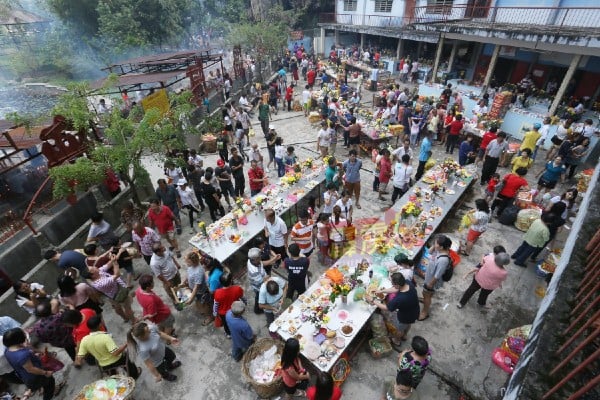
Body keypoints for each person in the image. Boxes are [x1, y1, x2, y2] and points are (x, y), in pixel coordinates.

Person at [3, 328, 63, 400]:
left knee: (44, 384)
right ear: (19, 339)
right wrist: (45, 372)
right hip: (35, 376)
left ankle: (43, 388)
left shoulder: (7, 351)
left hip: (25, 376)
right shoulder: (23, 355)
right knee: (49, 383)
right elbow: (31, 369)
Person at [75, 315, 140, 379]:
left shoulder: (84, 340)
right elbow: (115, 353)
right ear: (100, 325)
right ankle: (134, 375)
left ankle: (115, 379)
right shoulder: (105, 337)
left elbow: (80, 356)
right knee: (126, 357)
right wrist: (126, 344)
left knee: (112, 374)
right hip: (117, 360)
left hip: (103, 365)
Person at [369, 273, 419, 346]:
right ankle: (405, 335)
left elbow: (386, 308)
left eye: (393, 283)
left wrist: (373, 301)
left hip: (405, 316)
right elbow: (395, 289)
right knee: (408, 324)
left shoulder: (399, 299)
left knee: (400, 329)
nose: (392, 285)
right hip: (414, 310)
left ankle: (396, 340)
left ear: (397, 285)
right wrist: (381, 291)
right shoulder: (407, 283)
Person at [87, 253, 135, 323]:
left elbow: (107, 265)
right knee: (128, 307)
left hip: (112, 295)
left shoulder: (98, 272)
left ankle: (125, 318)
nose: (95, 267)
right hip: (119, 293)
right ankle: (133, 320)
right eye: (93, 268)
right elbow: (117, 275)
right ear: (92, 275)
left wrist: (112, 260)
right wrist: (115, 263)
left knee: (117, 308)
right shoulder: (100, 283)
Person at [419, 235, 451, 321]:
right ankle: (426, 298)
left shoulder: (443, 260)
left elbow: (437, 275)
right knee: (426, 294)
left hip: (432, 281)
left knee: (426, 293)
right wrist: (434, 245)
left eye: (436, 243)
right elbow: (429, 252)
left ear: (441, 247)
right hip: (429, 276)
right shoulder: (438, 250)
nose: (434, 244)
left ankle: (425, 312)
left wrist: (430, 284)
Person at [213, 272, 244, 338]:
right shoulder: (237, 289)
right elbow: (242, 297)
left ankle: (228, 334)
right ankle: (238, 331)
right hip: (235, 310)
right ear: (231, 281)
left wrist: (215, 313)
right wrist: (244, 303)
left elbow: (216, 304)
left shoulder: (217, 292)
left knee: (226, 324)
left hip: (223, 314)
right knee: (237, 321)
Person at [181, 252, 211, 316]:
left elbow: (196, 287)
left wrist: (191, 298)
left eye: (188, 262)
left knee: (204, 304)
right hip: (194, 290)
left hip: (200, 292)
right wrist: (184, 281)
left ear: (194, 262)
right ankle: (202, 310)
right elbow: (188, 273)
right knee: (198, 301)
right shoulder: (191, 266)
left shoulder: (198, 272)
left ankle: (209, 317)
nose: (186, 263)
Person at [247, 248, 268, 314]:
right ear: (254, 259)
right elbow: (261, 282)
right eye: (259, 258)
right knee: (259, 297)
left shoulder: (250, 261)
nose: (260, 258)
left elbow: (261, 264)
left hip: (259, 283)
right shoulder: (254, 271)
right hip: (258, 287)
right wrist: (268, 278)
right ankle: (258, 310)